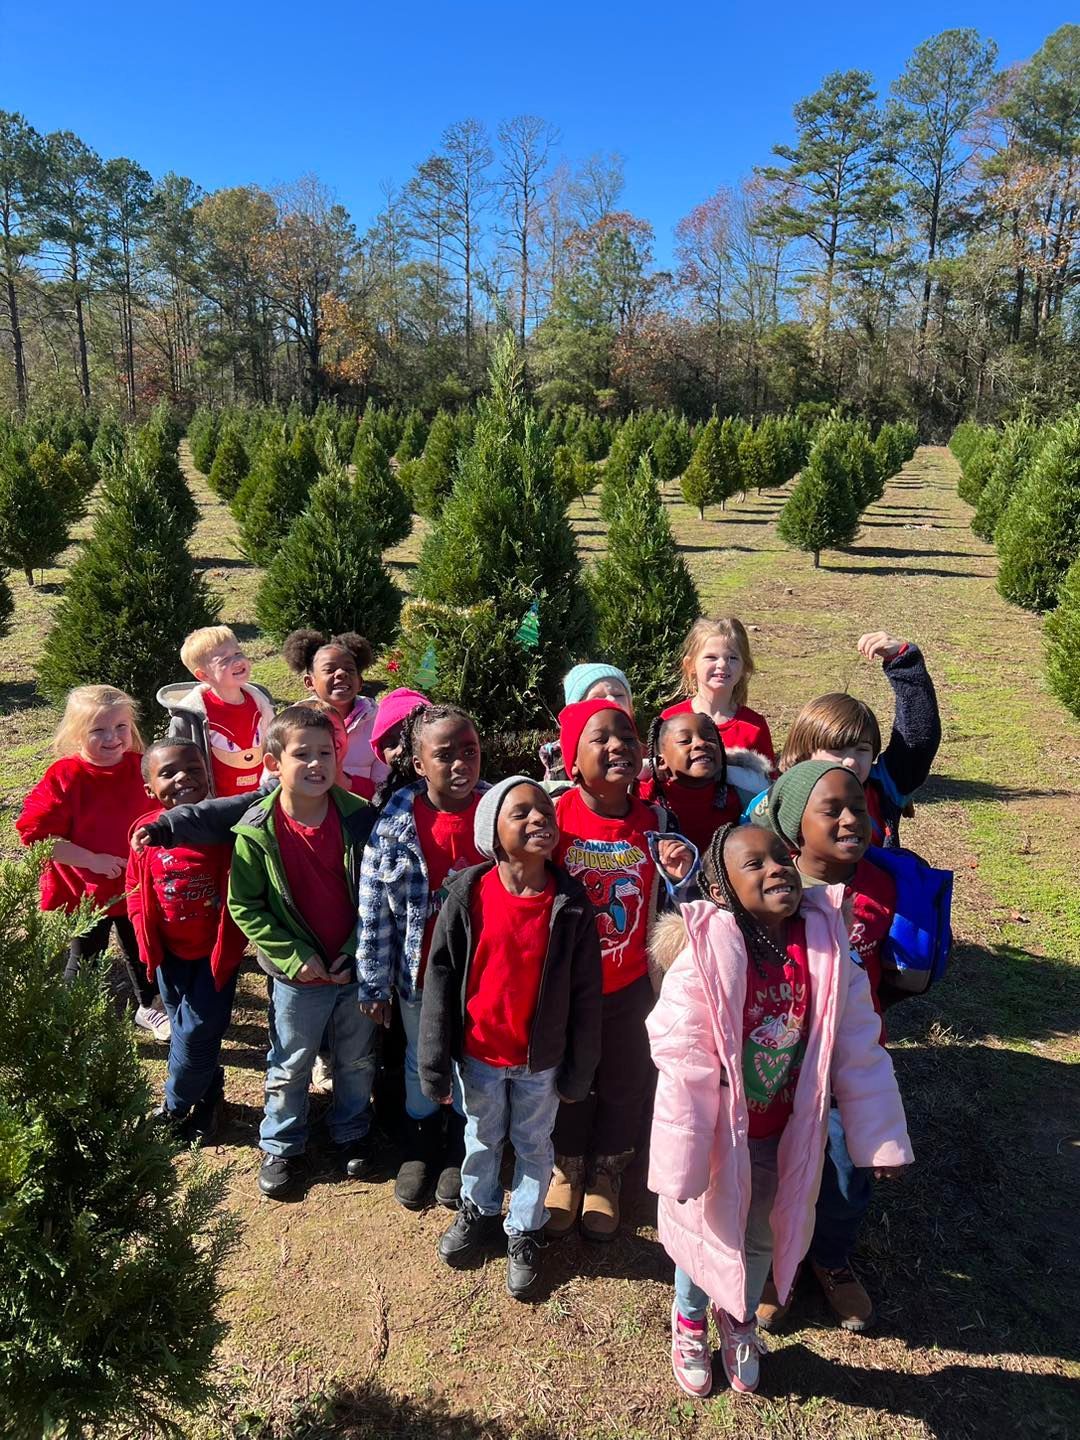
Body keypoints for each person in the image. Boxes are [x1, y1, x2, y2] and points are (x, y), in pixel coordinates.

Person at [647, 822, 912, 1398]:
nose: (775, 868)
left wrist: (879, 1137)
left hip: (785, 1129)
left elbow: (858, 1042)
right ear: (720, 889)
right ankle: (690, 1319)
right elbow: (682, 1057)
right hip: (717, 1135)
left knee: (763, 1231)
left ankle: (738, 1316)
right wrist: (682, 1160)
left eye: (779, 857)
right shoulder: (706, 952)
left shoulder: (824, 942)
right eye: (753, 864)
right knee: (705, 1234)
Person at [418, 777, 603, 1300]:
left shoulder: (570, 904)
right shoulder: (466, 894)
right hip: (479, 1055)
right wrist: (433, 1062)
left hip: (539, 1062)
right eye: (521, 812)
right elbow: (441, 977)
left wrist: (578, 1070)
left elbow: (587, 997)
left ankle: (523, 1226)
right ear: (492, 834)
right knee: (481, 1136)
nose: (539, 818)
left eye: (545, 810)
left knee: (532, 1143)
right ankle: (477, 1208)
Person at [751, 760, 898, 1332]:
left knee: (844, 1174)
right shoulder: (774, 890)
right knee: (777, 1173)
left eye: (857, 807)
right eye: (830, 810)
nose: (849, 820)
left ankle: (831, 1259)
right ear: (793, 828)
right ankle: (773, 1265)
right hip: (781, 1063)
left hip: (849, 1059)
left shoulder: (884, 884)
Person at [545, 697, 693, 1241]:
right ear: (571, 761)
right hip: (569, 988)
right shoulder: (554, 818)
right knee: (571, 1080)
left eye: (627, 737)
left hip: (633, 985)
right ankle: (568, 1165)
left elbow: (679, 894)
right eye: (600, 738)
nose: (617, 747)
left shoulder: (655, 821)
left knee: (627, 1080)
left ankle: (608, 1167)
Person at [227, 705, 379, 1199]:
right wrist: (294, 956)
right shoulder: (258, 831)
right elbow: (244, 905)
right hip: (297, 978)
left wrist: (358, 949)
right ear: (273, 762)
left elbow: (379, 894)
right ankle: (282, 1141)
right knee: (291, 1060)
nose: (317, 764)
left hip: (353, 969)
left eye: (326, 753)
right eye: (302, 754)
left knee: (356, 1058)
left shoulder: (359, 818)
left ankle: (351, 1130)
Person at [356, 704, 488, 1211]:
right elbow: (373, 910)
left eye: (470, 752)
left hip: (478, 970)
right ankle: (421, 1142)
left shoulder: (494, 813)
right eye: (445, 754)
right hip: (417, 974)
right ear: (418, 763)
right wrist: (373, 983)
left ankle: (458, 1145)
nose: (460, 764)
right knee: (419, 1058)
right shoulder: (394, 826)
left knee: (468, 1059)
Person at [17, 684, 169, 1040]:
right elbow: (36, 836)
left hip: (135, 885)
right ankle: (71, 1017)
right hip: (85, 890)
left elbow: (163, 813)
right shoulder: (66, 776)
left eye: (121, 727)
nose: (113, 738)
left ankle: (149, 1008)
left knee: (142, 951)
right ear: (76, 733)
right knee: (85, 956)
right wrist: (91, 860)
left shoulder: (140, 766)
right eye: (97, 730)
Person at [126, 740, 246, 1144]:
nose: (184, 778)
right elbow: (134, 888)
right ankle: (210, 1099)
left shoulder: (226, 828)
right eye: (169, 773)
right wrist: (145, 938)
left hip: (214, 957)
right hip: (168, 955)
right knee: (184, 1030)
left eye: (194, 769)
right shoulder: (145, 832)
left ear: (209, 775)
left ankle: (174, 1107)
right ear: (149, 788)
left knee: (195, 1034)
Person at [776, 632, 941, 847]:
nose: (850, 761)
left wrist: (903, 663)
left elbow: (918, 740)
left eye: (862, 750)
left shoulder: (882, 789)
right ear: (805, 752)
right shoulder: (778, 798)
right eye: (837, 749)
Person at [158, 625, 274, 799]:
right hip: (218, 807)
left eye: (238, 653)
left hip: (262, 798)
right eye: (224, 660)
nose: (237, 661)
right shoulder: (190, 716)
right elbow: (179, 763)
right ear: (203, 675)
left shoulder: (261, 701)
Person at [661, 617, 775, 770]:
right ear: (690, 664)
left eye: (732, 658)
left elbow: (767, 786)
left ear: (744, 667)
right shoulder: (670, 719)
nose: (722, 664)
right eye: (711, 657)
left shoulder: (754, 726)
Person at [283, 629, 384, 800]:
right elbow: (274, 778)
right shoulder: (292, 723)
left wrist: (344, 782)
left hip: (360, 814)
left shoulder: (378, 722)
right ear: (310, 682)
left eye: (349, 670)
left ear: (360, 682)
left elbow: (384, 787)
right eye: (329, 669)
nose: (341, 674)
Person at [640, 711, 749, 853]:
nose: (701, 743)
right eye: (685, 740)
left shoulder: (741, 800)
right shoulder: (643, 798)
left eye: (710, 739)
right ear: (662, 762)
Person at [541, 664, 634, 782]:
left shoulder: (646, 753)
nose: (612, 700)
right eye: (598, 697)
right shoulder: (559, 762)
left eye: (618, 695)